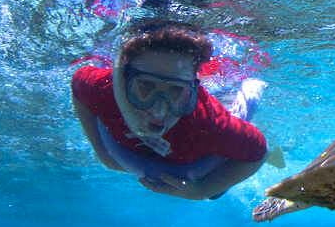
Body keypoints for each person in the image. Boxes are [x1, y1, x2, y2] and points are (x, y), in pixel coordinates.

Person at [72, 19, 268, 200]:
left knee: (216, 193)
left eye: (176, 90)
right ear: (124, 83)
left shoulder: (207, 122)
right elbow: (78, 84)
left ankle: (251, 88)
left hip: (203, 158)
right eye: (145, 86)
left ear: (193, 89)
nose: (159, 110)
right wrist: (102, 153)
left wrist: (204, 190)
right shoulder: (104, 90)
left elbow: (259, 152)